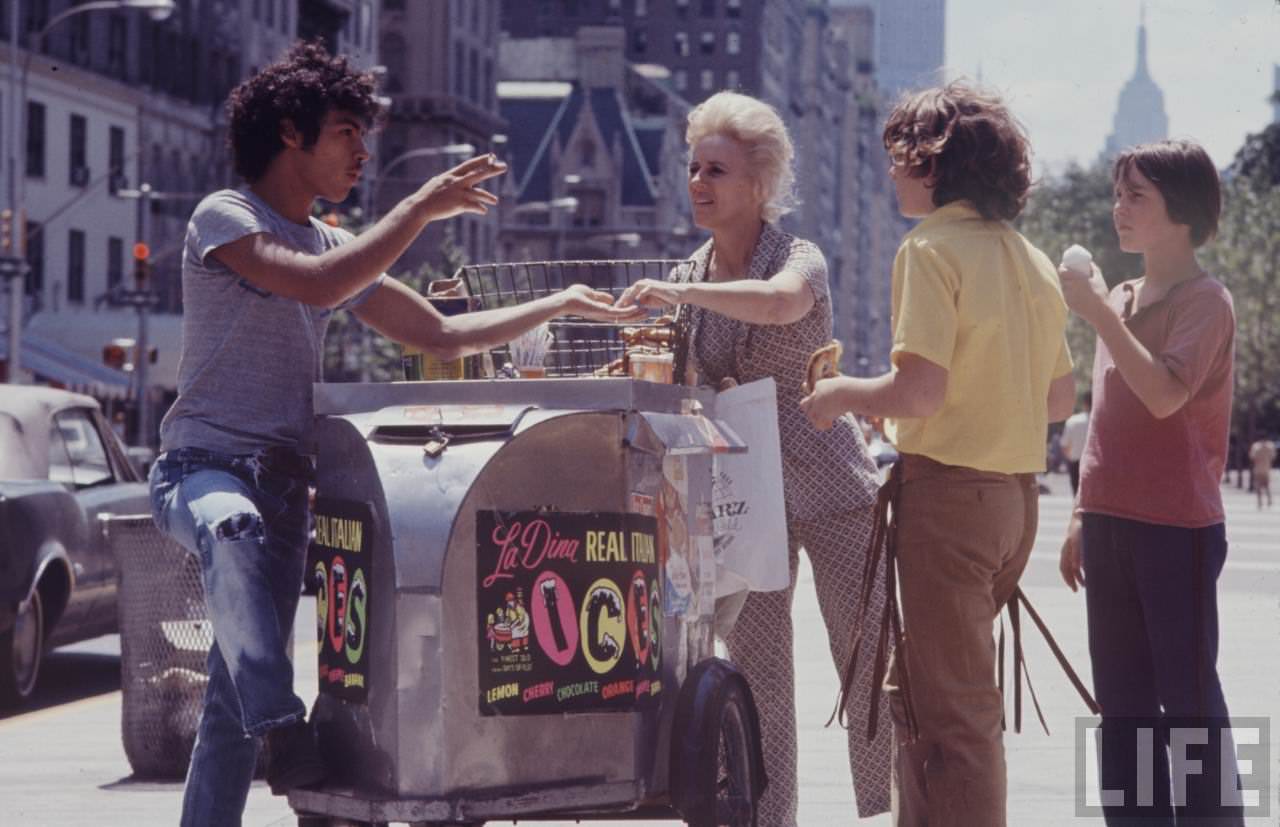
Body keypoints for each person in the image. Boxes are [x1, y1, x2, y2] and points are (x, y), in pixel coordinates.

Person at [149, 42, 637, 827]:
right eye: (346, 131)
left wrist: (561, 302)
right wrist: (420, 207)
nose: (363, 152)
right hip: (199, 472)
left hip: (281, 494)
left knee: (227, 716)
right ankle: (284, 725)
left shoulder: (331, 242)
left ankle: (261, 728)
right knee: (229, 531)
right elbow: (316, 285)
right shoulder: (225, 217)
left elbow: (441, 334)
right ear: (289, 132)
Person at [800, 82, 1075, 827]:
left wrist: (838, 395)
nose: (891, 171)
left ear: (932, 164)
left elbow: (919, 392)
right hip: (1012, 504)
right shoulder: (1032, 259)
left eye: (900, 157)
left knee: (953, 714)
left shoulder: (929, 250)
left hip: (949, 500)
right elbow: (1059, 400)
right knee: (925, 695)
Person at [617, 90, 891, 824]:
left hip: (833, 484)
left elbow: (778, 304)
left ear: (760, 184)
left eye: (718, 170)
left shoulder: (799, 259)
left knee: (868, 662)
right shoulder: (687, 276)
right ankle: (771, 818)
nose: (699, 183)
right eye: (694, 167)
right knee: (759, 674)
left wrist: (685, 292)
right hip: (745, 500)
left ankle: (894, 808)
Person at [1058, 139, 1244, 824]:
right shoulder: (1124, 295)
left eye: (1137, 195)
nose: (1119, 208)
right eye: (1118, 193)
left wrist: (1101, 312)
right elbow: (1105, 419)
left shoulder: (1206, 302)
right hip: (1110, 526)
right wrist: (1082, 513)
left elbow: (1165, 394)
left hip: (1179, 530)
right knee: (1123, 709)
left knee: (1189, 704)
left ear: (1184, 210)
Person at [1060, 391, 1092, 494]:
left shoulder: (1073, 421)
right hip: (1095, 464)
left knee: (1077, 494)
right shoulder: (1103, 420)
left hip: (1075, 462)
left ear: (1084, 404)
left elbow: (1064, 445)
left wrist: (1070, 458)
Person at [1249, 436, 1275, 508]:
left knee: (1258, 487)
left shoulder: (1256, 446)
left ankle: (1260, 502)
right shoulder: (1270, 446)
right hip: (1266, 469)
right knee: (1267, 486)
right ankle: (1269, 500)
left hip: (1258, 470)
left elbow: (1252, 456)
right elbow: (1273, 456)